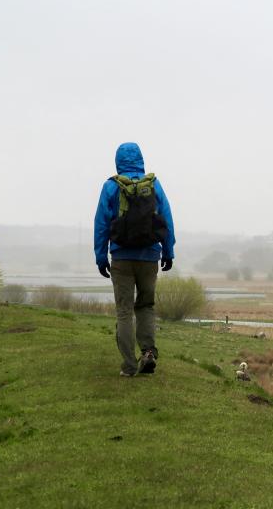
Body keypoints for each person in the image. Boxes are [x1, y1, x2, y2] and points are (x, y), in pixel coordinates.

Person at [94, 142, 175, 377]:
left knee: (124, 311)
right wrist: (168, 251)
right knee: (146, 306)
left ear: (118, 161)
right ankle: (148, 353)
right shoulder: (153, 185)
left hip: (121, 257)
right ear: (141, 159)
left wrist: (101, 257)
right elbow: (166, 219)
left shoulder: (111, 187)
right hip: (150, 256)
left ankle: (129, 366)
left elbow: (101, 224)